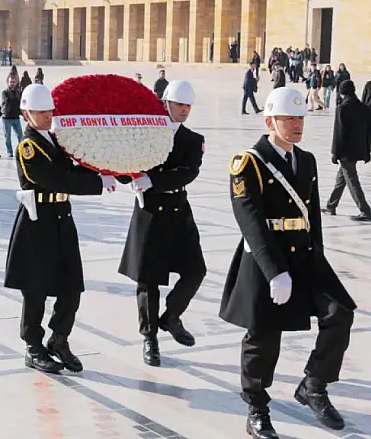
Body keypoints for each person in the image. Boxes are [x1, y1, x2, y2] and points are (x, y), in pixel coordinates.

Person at [220, 87, 356, 438]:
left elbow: (312, 214)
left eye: (301, 118)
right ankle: (257, 407)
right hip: (269, 257)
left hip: (304, 254)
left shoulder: (306, 160)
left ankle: (313, 384)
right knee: (264, 334)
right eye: (289, 118)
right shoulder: (247, 162)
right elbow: (248, 219)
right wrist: (274, 272)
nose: (298, 124)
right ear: (270, 121)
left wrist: (319, 257)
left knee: (340, 312)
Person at [3, 84, 116, 374]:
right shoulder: (28, 146)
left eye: (50, 110)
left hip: (61, 219)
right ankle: (33, 346)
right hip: (37, 221)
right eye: (41, 111)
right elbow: (54, 179)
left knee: (71, 285)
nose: (48, 115)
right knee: (35, 288)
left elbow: (71, 170)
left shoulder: (53, 139)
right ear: (27, 113)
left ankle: (59, 338)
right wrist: (96, 185)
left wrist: (107, 172)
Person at [118, 80, 207, 367]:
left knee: (196, 270)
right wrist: (110, 172)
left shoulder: (193, 139)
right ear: (166, 103)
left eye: (188, 106)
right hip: (150, 212)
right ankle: (150, 337)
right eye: (179, 104)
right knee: (149, 279)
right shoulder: (145, 133)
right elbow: (125, 163)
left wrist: (154, 180)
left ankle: (171, 316)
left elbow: (188, 172)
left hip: (178, 208)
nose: (184, 110)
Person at [323, 80, 371, 221]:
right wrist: (367, 150)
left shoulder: (342, 108)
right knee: (341, 178)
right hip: (359, 150)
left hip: (345, 152)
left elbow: (338, 133)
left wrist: (335, 153)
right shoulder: (364, 108)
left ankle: (366, 211)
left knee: (351, 179)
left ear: (342, 92)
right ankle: (331, 206)